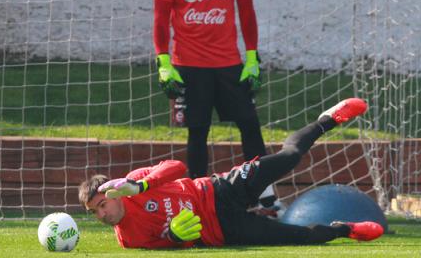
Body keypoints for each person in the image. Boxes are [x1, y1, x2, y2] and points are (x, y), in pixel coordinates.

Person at [78, 98, 384, 248]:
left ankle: (327, 120)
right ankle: (346, 230)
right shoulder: (127, 239)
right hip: (224, 230)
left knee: (288, 158)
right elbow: (162, 244)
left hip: (220, 189)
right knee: (302, 238)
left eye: (102, 204)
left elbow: (177, 167)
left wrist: (141, 185)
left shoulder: (136, 181)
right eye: (95, 212)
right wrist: (173, 236)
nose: (102, 215)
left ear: (113, 192)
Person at [152, 0, 278, 213]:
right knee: (198, 131)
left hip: (228, 63)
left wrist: (251, 56)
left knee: (249, 124)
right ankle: (198, 196)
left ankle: (264, 193)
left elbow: (247, 13)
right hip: (189, 65)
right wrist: (164, 62)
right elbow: (160, 19)